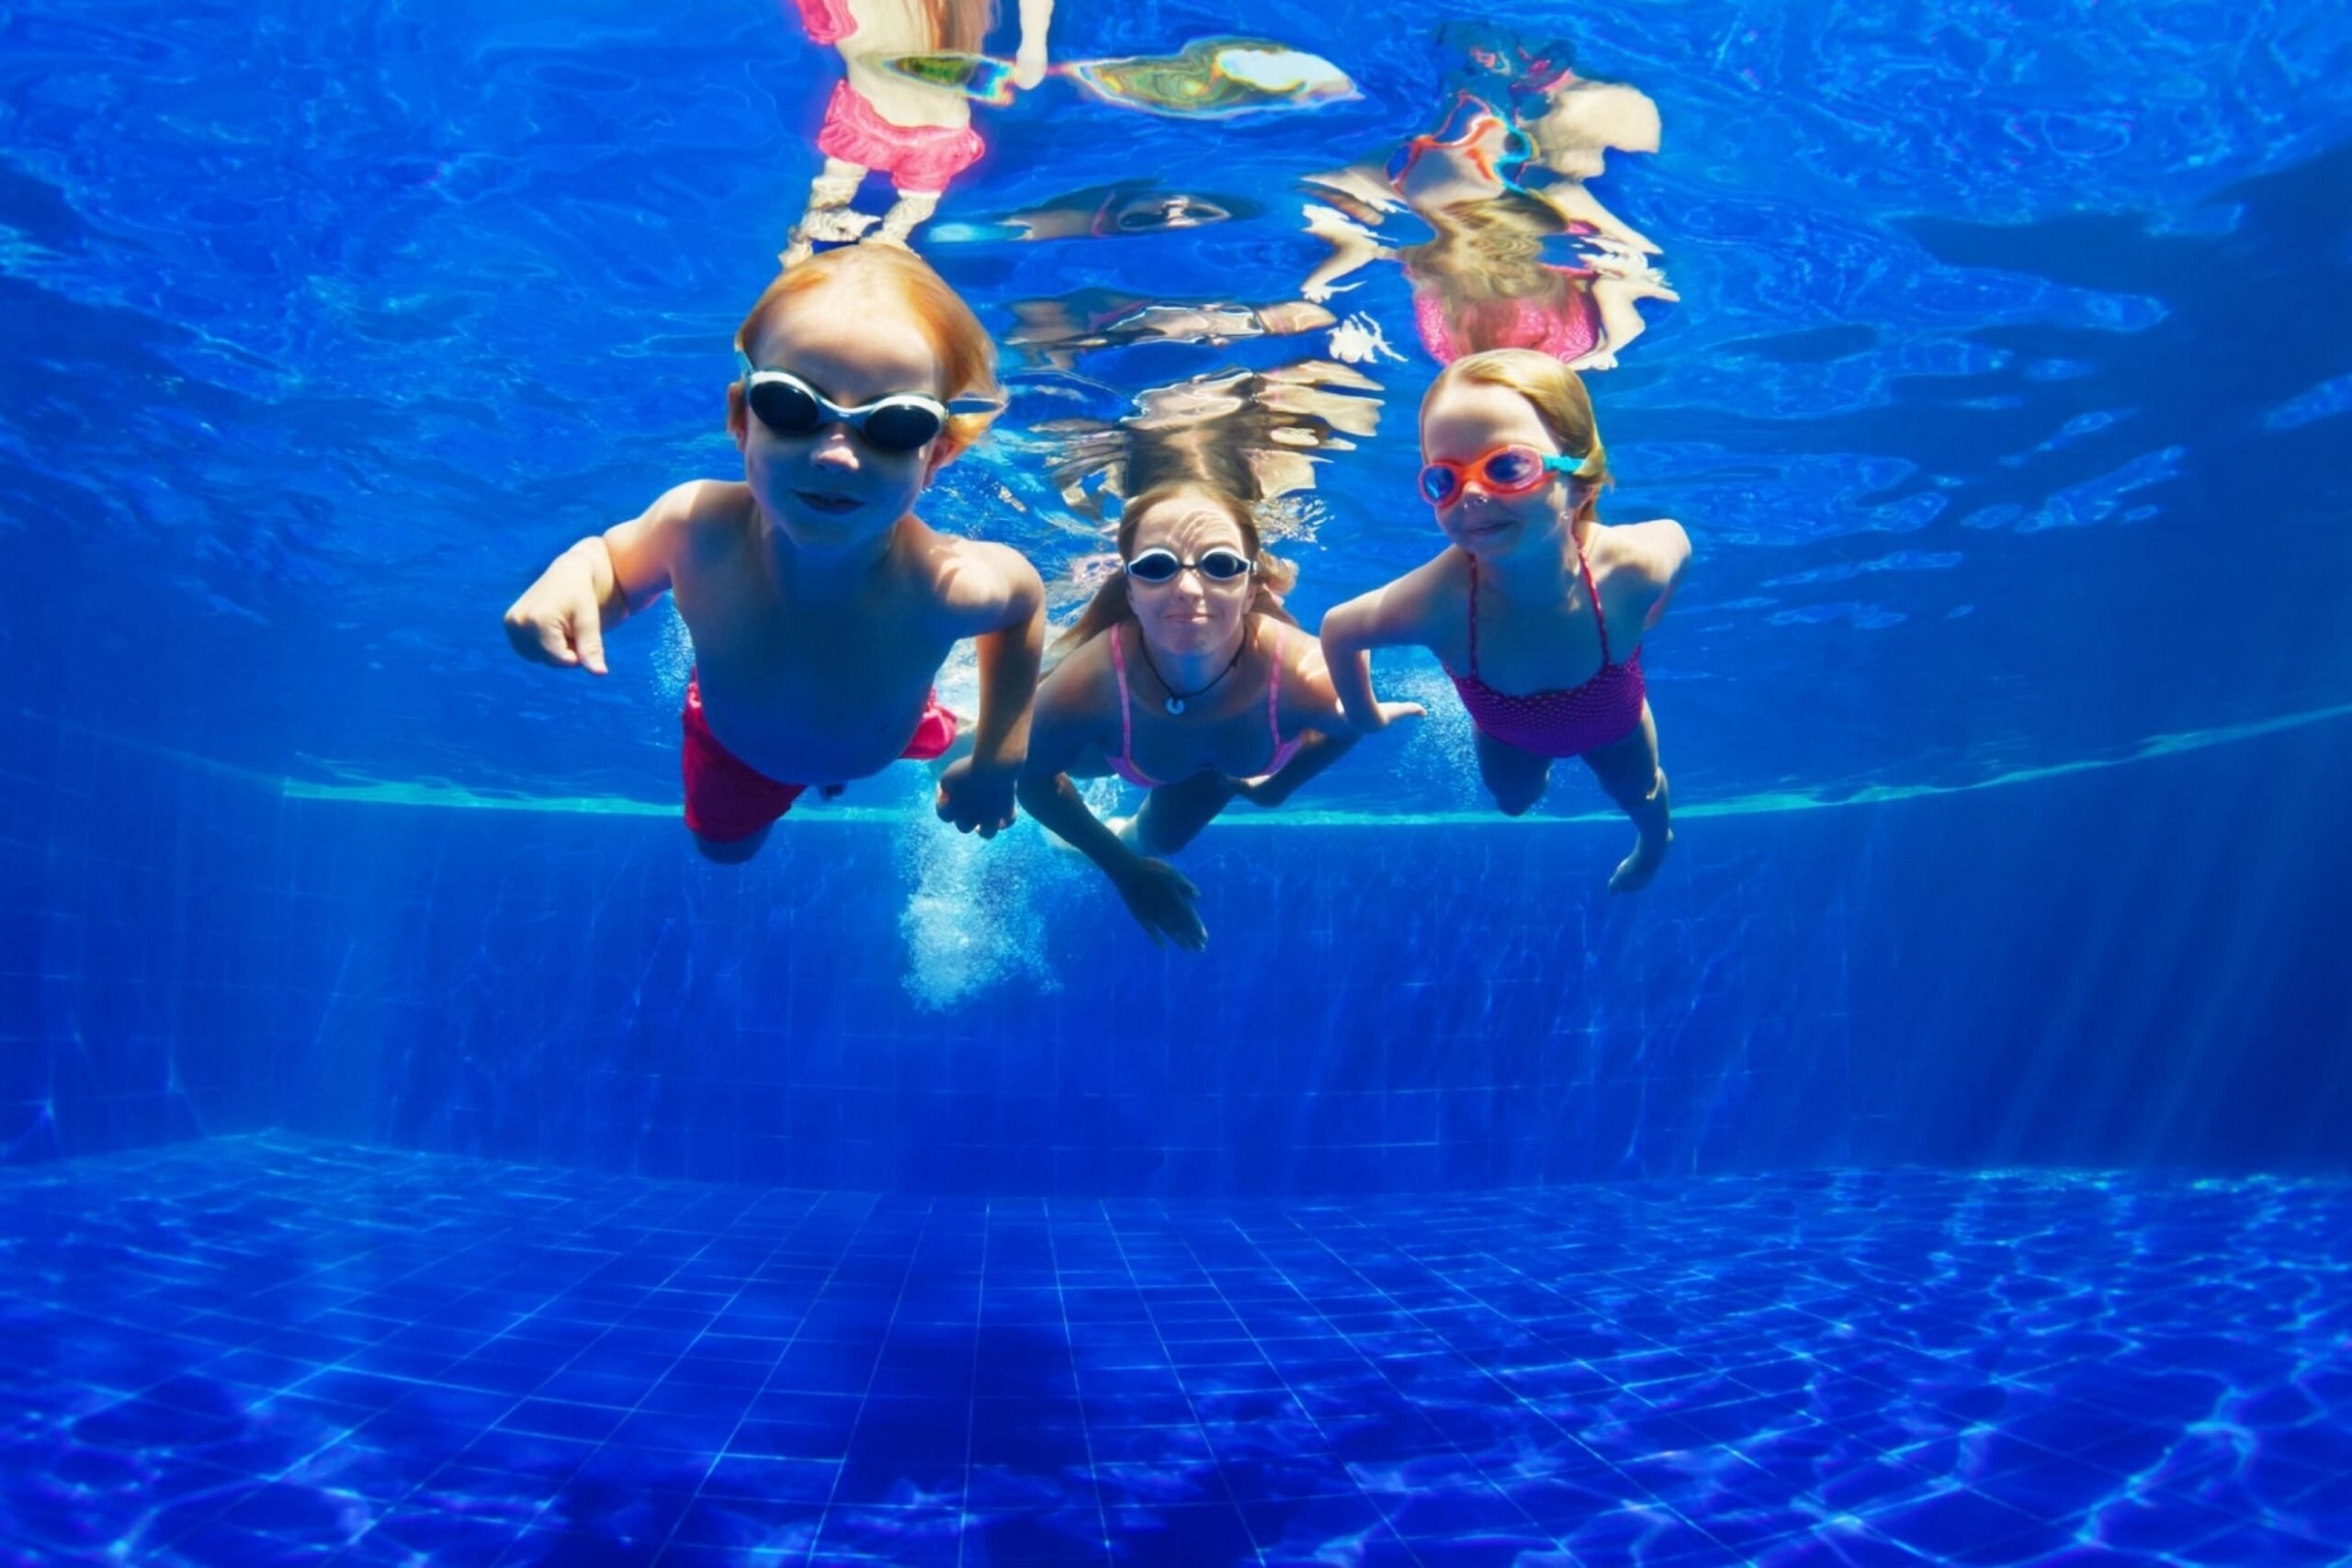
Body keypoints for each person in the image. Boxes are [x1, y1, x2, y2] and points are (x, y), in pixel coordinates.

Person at [502, 244, 1046, 863]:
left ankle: (940, 738)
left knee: (930, 732)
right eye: (791, 406)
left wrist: (1000, 758)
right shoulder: (694, 527)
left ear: (937, 456)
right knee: (722, 853)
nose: (836, 455)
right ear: (742, 419)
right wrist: (576, 569)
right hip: (738, 751)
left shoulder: (946, 586)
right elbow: (612, 569)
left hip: (890, 731)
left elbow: (1023, 604)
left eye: (896, 424)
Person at [1319, 349, 1687, 890]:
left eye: (1507, 467)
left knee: (1640, 793)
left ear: (1580, 482)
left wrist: (1652, 612)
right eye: (1444, 480)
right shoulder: (1438, 601)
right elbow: (1339, 629)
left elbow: (1679, 541)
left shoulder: (1630, 569)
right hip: (1507, 734)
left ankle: (1655, 845)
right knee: (1513, 801)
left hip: (1615, 720)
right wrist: (1365, 716)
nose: (1471, 494)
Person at [1019, 484, 1419, 948]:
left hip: (1210, 770)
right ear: (1130, 593)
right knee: (1003, 751)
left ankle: (1068, 844)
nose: (1189, 590)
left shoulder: (1303, 674)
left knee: (1157, 842)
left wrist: (1277, 788)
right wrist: (1124, 872)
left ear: (1250, 590)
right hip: (1107, 742)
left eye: (1221, 565)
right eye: (1156, 567)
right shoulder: (1090, 682)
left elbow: (1346, 725)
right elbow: (1031, 779)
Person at [782, 0, 1054, 265]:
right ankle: (872, 240)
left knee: (835, 195)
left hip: (870, 123)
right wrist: (1033, 48)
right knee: (912, 208)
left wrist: (1033, 49)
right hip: (931, 136)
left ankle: (804, 243)